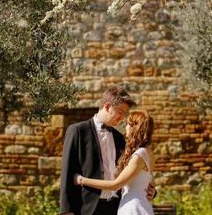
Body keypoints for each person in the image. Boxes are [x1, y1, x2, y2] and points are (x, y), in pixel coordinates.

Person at [60, 86, 156, 215]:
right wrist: (66, 211)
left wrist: (152, 191)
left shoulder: (120, 138)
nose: (122, 117)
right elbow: (67, 172)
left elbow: (133, 174)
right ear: (107, 106)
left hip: (117, 208)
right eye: (120, 112)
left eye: (124, 114)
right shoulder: (77, 131)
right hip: (86, 208)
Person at [74, 111, 155, 215]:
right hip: (140, 204)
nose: (125, 127)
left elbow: (115, 185)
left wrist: (81, 180)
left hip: (133, 207)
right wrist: (154, 191)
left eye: (128, 123)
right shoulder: (148, 152)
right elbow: (149, 183)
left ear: (133, 128)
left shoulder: (140, 155)